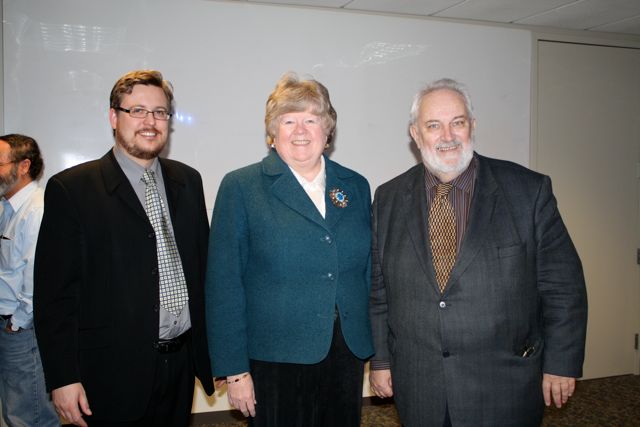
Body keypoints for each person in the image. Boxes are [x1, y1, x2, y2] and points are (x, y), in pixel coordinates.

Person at [368, 78, 588, 427]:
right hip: (420, 385)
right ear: (415, 133)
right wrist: (380, 361)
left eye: (458, 122)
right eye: (433, 125)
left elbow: (563, 286)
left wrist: (561, 364)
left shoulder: (528, 191)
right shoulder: (388, 198)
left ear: (472, 126)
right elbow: (379, 293)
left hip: (504, 385)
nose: (448, 136)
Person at [33, 70, 213, 427]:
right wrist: (63, 377)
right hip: (110, 372)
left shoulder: (188, 181)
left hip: (179, 364)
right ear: (114, 117)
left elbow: (202, 269)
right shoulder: (72, 190)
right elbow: (55, 296)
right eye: (138, 111)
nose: (150, 122)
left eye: (160, 112)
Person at [205, 72, 374, 426]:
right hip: (274, 358)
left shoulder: (355, 186)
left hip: (344, 354)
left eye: (312, 119)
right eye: (289, 120)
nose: (301, 130)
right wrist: (234, 370)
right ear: (272, 132)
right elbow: (224, 284)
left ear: (327, 131)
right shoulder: (242, 187)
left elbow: (368, 270)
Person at [0, 134, 59, 427]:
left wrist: (17, 323)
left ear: (23, 166)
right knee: (17, 409)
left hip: (24, 331)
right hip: (13, 325)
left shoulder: (36, 209)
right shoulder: (8, 207)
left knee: (30, 414)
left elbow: (37, 277)